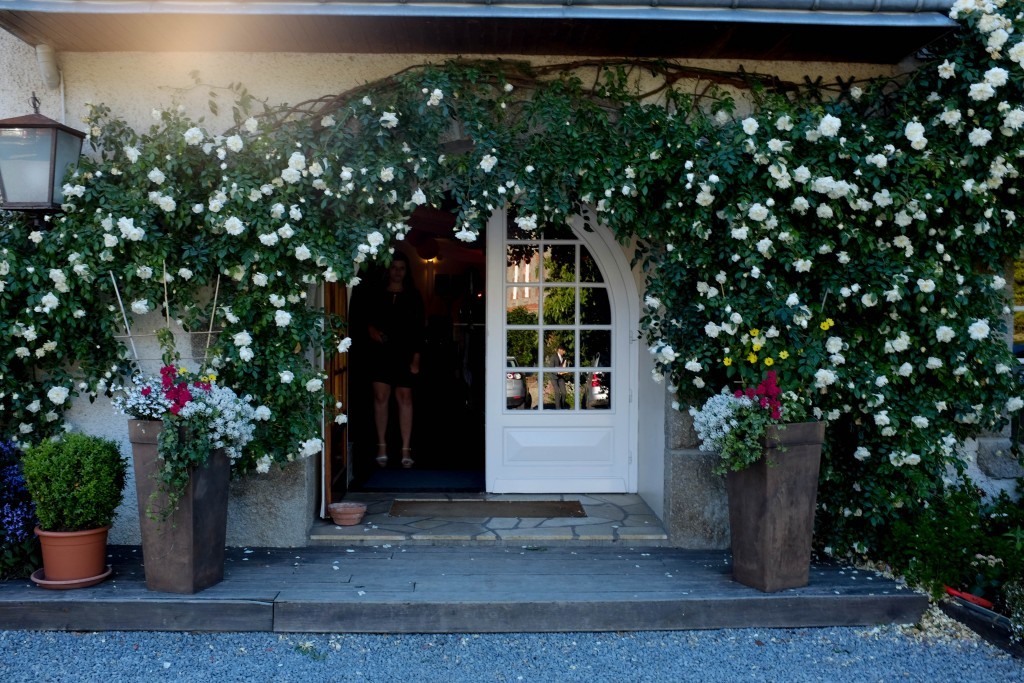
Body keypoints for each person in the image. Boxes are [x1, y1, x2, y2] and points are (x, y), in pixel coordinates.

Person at [366, 251, 424, 468]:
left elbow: (419, 329)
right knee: (380, 398)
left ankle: (405, 449)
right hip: (380, 353)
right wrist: (371, 330)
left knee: (405, 399)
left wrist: (416, 358)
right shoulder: (377, 293)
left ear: (406, 271)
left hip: (405, 353)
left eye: (401, 267)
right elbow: (366, 320)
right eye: (394, 267)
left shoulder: (414, 296)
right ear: (388, 270)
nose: (398, 271)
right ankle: (381, 446)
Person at [546, 342, 570, 409]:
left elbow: (563, 367)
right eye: (563, 350)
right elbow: (551, 368)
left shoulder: (564, 358)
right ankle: (557, 409)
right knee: (557, 392)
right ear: (559, 350)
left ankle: (562, 406)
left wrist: (565, 370)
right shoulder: (553, 357)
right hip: (554, 377)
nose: (564, 352)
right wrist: (558, 372)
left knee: (564, 393)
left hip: (561, 377)